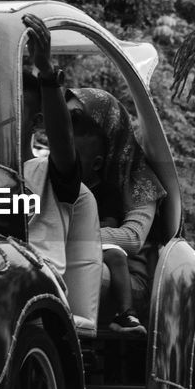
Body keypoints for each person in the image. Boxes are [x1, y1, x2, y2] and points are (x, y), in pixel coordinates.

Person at [20, 15, 102, 334]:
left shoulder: (49, 173)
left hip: (38, 284)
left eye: (14, 109)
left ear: (37, 120)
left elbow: (63, 146)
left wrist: (47, 73)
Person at [68, 88, 166, 335]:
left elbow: (133, 238)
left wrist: (70, 238)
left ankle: (126, 316)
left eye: (75, 120)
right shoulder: (66, 172)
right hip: (80, 257)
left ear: (105, 130)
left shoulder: (138, 177)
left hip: (126, 275)